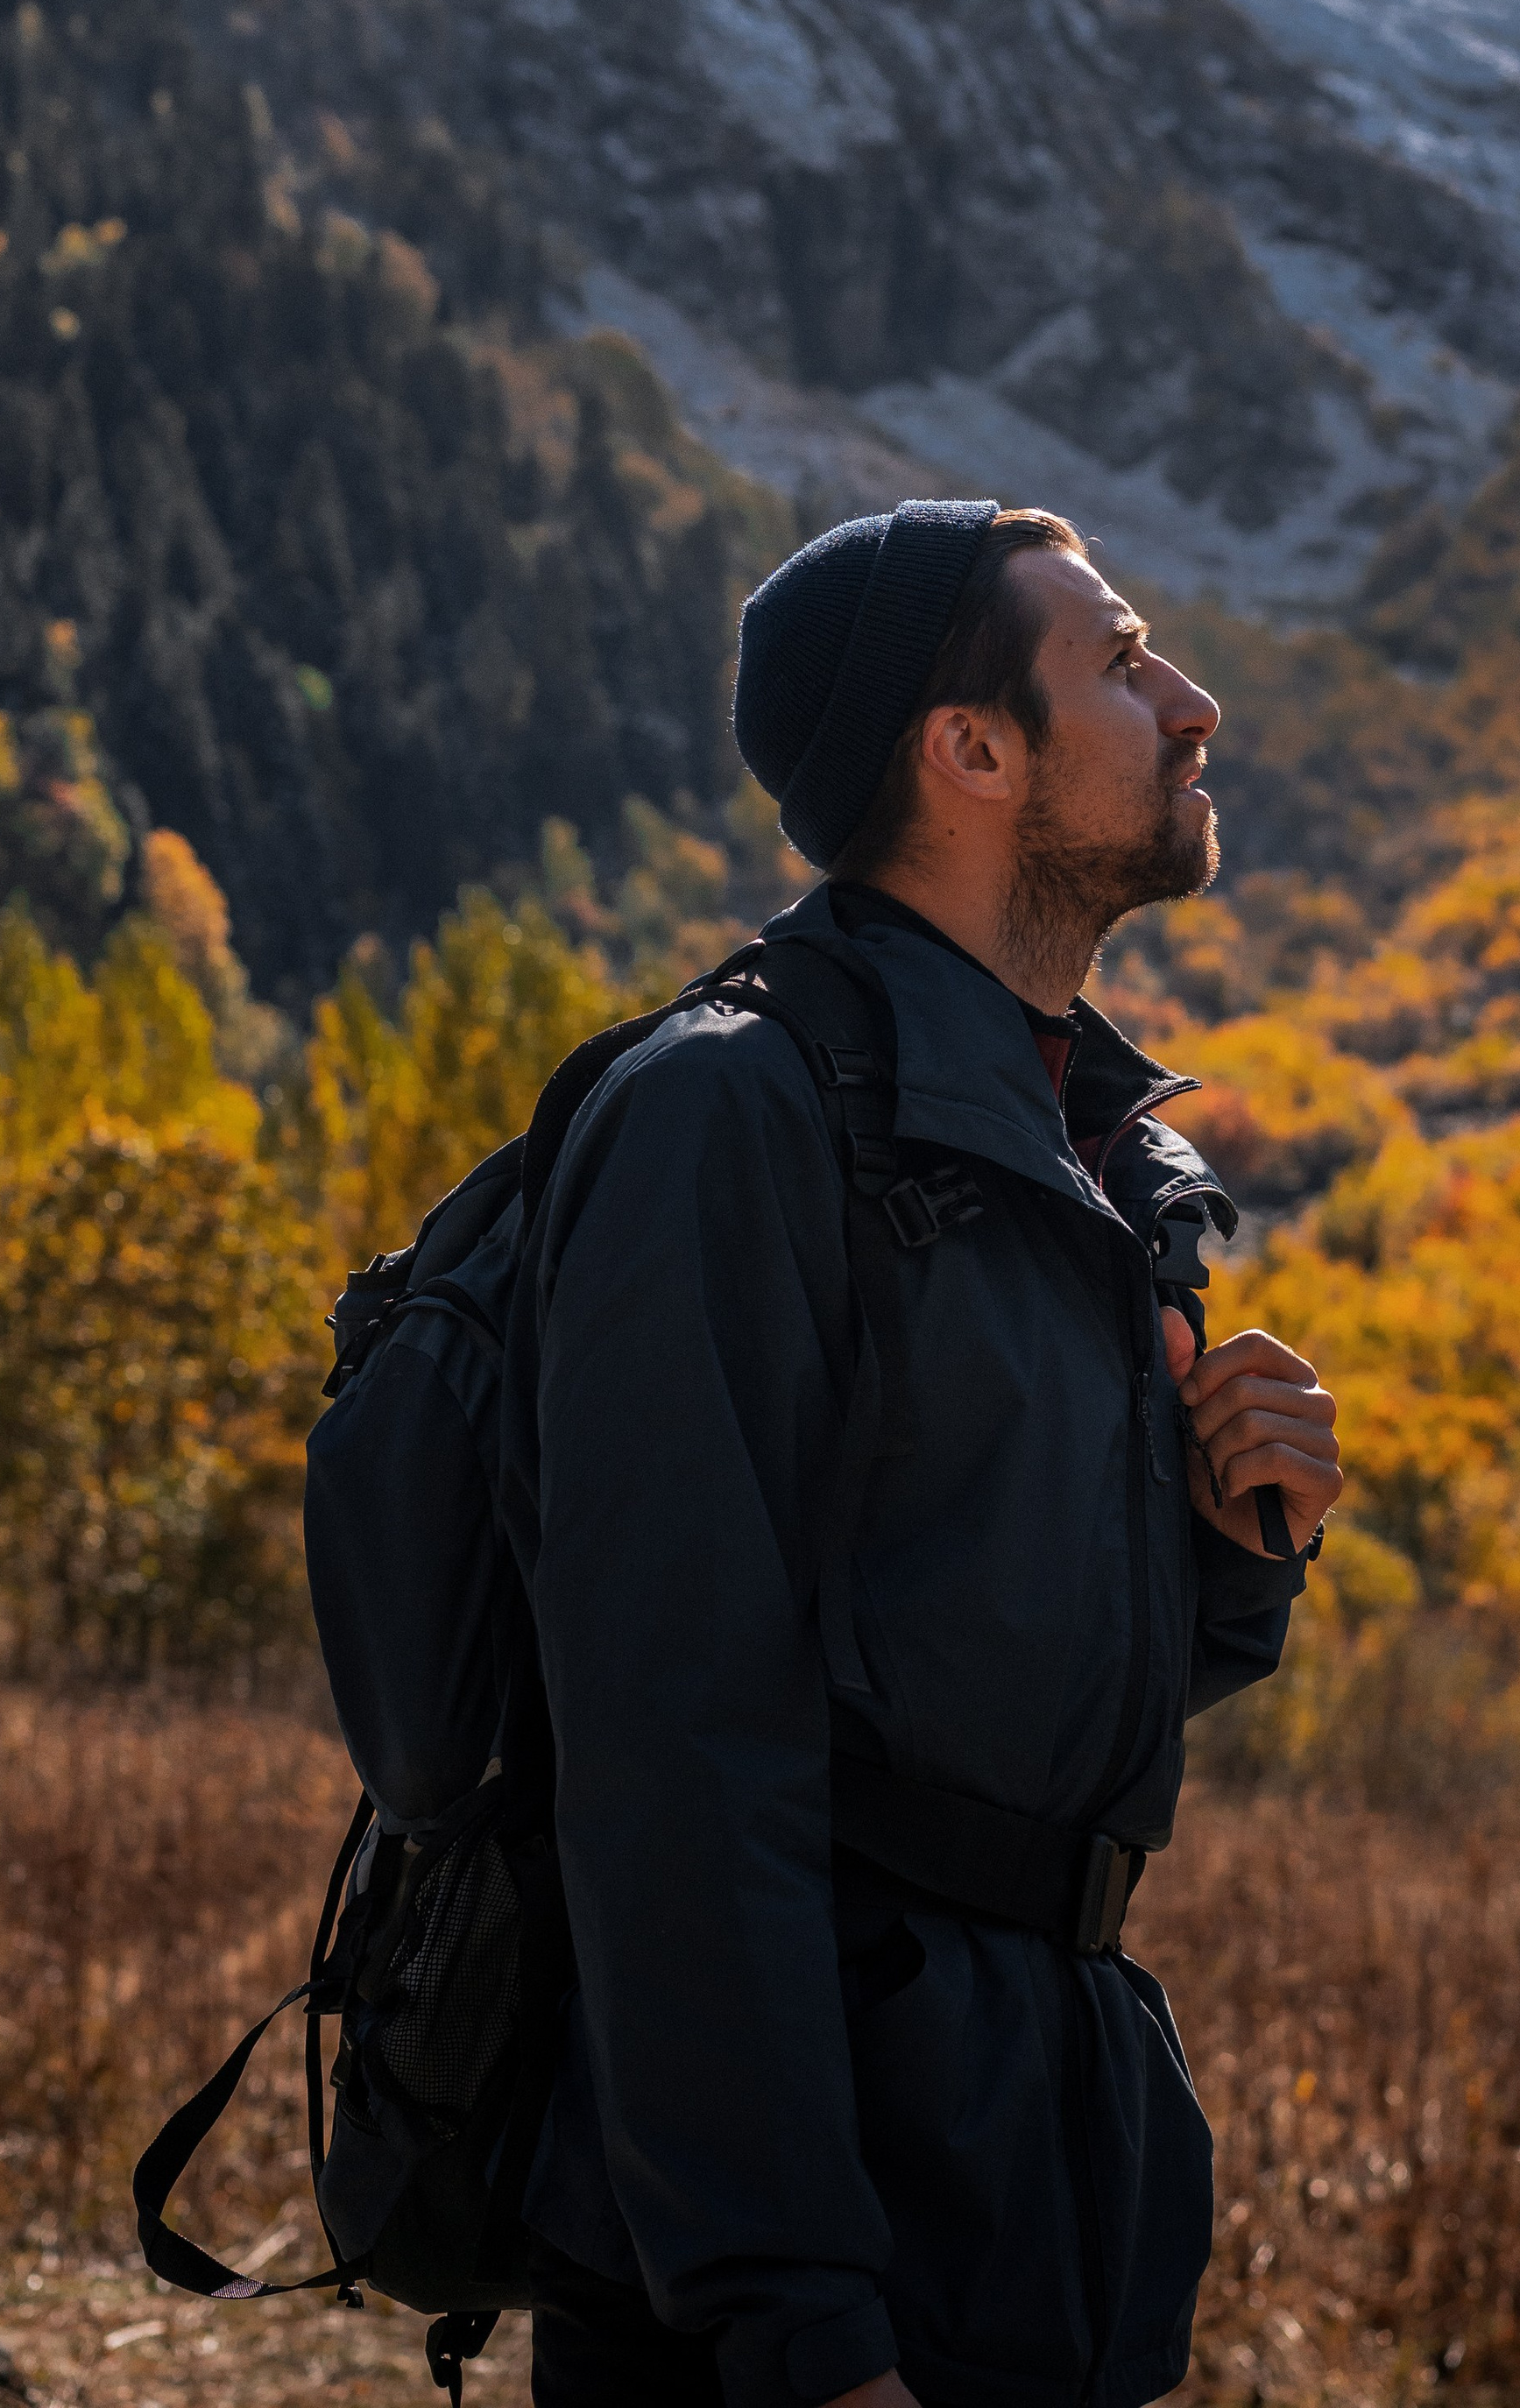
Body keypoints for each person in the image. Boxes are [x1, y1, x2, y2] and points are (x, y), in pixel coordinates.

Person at [501, 499, 1343, 2408]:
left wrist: (1231, 1549)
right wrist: (797, 2317)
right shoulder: (727, 1117)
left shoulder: (1087, 1152)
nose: (1191, 703)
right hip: (805, 2270)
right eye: (1118, 662)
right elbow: (668, 1758)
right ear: (969, 751)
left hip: (1030, 2186)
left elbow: (996, 1715)